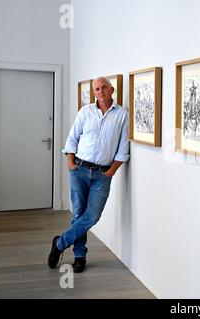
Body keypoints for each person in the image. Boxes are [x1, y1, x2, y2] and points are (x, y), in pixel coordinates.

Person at [47, 77, 130, 273]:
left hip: (103, 174)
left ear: (112, 90)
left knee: (92, 215)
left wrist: (111, 171)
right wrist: (70, 163)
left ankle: (60, 243)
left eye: (104, 88)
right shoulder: (85, 112)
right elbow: (72, 139)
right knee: (78, 214)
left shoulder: (122, 116)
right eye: (97, 89)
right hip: (79, 170)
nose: (100, 92)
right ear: (94, 92)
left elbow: (123, 147)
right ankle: (79, 256)